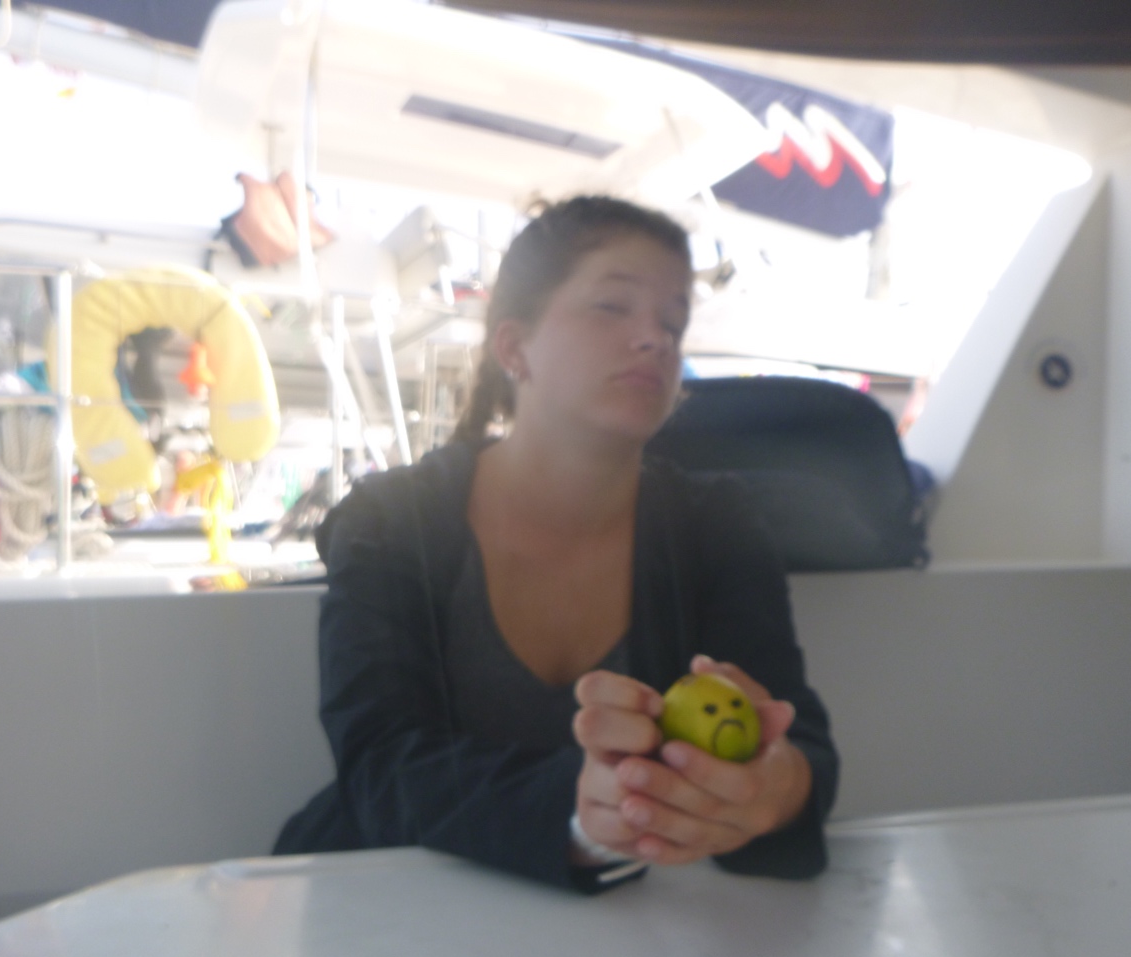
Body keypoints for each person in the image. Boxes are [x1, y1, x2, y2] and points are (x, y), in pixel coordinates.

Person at [275, 195, 838, 893]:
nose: (655, 339)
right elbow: (379, 763)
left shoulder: (715, 525)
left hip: (636, 936)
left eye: (672, 321)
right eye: (612, 307)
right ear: (514, 347)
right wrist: (578, 814)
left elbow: (802, 745)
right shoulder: (392, 520)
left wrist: (774, 790)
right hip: (385, 905)